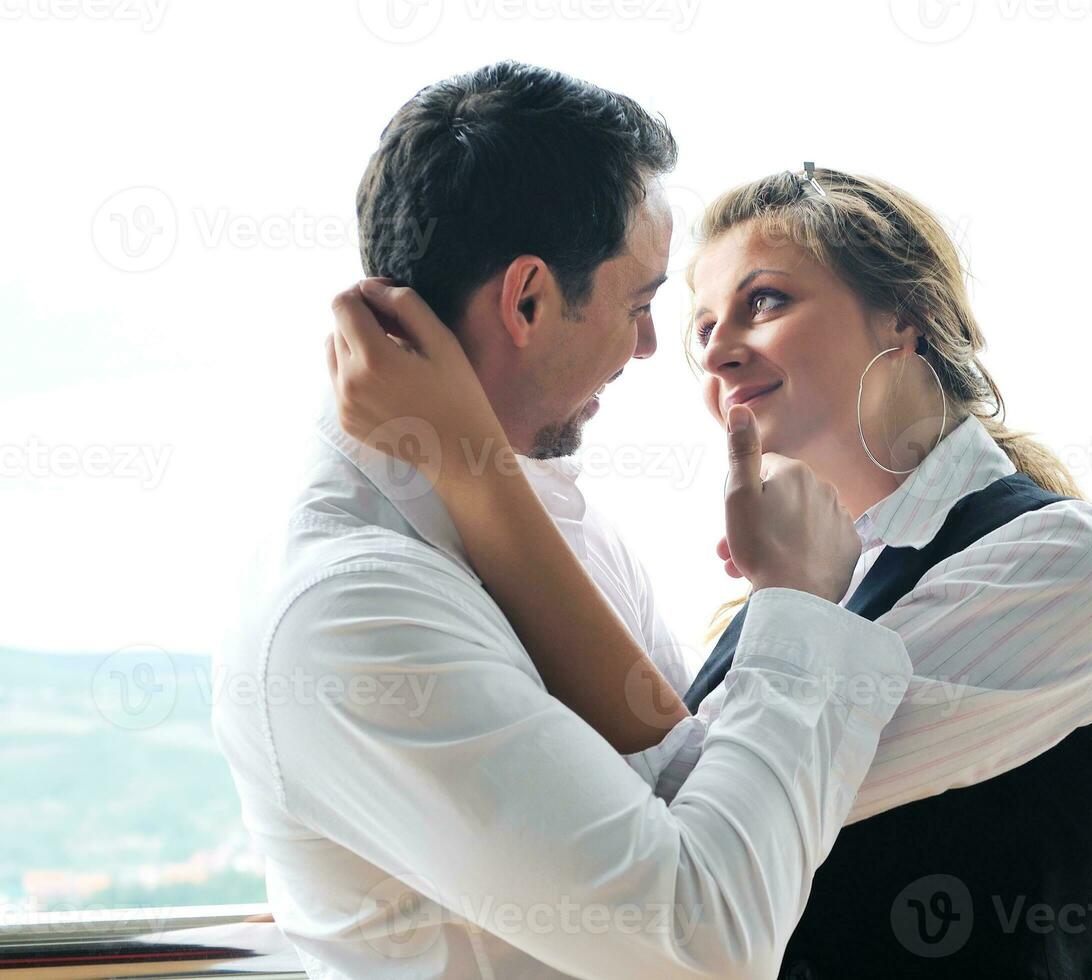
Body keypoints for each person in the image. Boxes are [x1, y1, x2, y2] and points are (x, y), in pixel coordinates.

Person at [325, 164, 1092, 976]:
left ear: (903, 315)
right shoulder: (788, 597)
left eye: (762, 302)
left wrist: (472, 466)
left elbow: (688, 806)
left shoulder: (1062, 559)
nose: (718, 352)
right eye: (703, 329)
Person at [213, 62, 918, 980]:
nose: (652, 346)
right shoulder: (351, 606)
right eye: (639, 304)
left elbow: (685, 777)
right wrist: (797, 604)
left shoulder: (548, 510)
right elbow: (707, 943)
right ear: (529, 300)